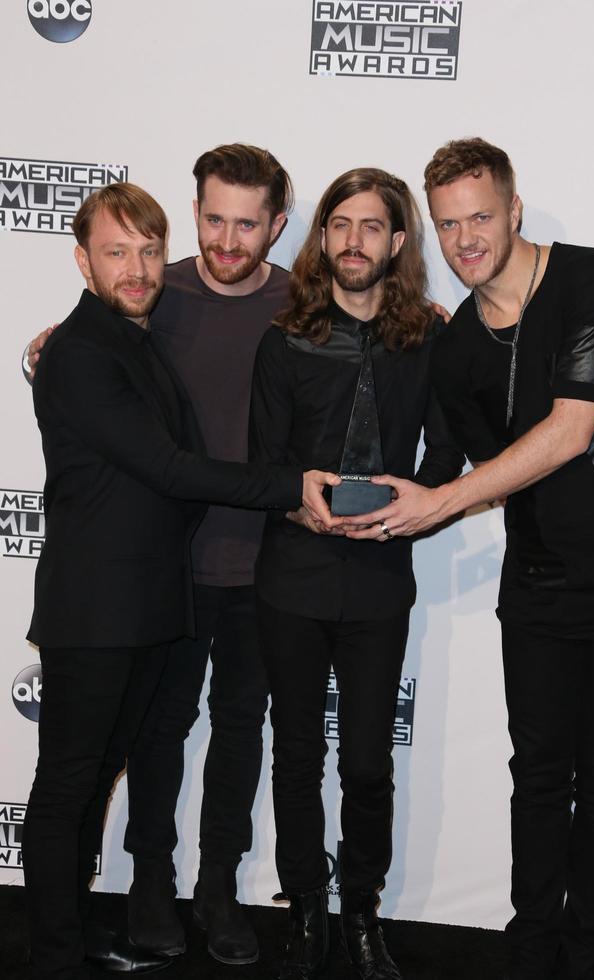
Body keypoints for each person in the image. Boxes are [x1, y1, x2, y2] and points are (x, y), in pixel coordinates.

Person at [346, 138, 594, 980]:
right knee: (539, 778)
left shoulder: (591, 280)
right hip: (537, 586)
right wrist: (375, 500)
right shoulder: (458, 351)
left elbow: (569, 430)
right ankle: (530, 947)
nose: (465, 239)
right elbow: (447, 468)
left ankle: (587, 952)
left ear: (515, 211)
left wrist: (441, 500)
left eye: (480, 216)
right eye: (447, 224)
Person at [22, 181, 336, 980]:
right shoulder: (86, 351)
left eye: (148, 250)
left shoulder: (130, 338)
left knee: (96, 773)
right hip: (94, 609)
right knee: (68, 785)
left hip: (144, 601)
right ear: (82, 260)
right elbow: (166, 466)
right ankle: (51, 952)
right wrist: (287, 486)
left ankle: (77, 929)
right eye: (116, 251)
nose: (136, 267)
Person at [248, 167, 464, 980]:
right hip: (293, 578)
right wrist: (297, 506)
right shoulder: (285, 338)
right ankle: (307, 910)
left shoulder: (428, 338)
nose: (352, 241)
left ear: (398, 242)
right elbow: (264, 464)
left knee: (368, 761)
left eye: (371, 226)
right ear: (321, 238)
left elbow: (446, 454)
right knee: (297, 753)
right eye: (339, 224)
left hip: (380, 579)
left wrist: (419, 499)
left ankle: (363, 912)